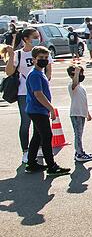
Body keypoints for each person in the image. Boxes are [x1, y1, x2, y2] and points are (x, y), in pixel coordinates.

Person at [5, 27, 50, 164]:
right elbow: (9, 72)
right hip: (24, 93)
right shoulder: (19, 54)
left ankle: (39, 148)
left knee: (40, 123)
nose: (37, 39)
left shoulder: (42, 52)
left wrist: (44, 86)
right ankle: (26, 151)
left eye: (38, 36)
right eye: (34, 37)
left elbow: (48, 72)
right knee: (26, 122)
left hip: (40, 92)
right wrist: (12, 55)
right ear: (25, 39)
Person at [23, 46, 70, 176]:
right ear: (33, 60)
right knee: (46, 136)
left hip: (37, 110)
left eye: (45, 58)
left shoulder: (39, 73)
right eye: (40, 58)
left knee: (37, 136)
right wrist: (51, 108)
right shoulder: (34, 75)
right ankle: (51, 166)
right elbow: (38, 94)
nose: (43, 60)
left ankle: (31, 163)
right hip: (37, 110)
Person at [67, 65, 92, 162]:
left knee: (80, 133)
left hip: (82, 113)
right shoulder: (72, 85)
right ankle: (79, 153)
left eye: (82, 73)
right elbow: (74, 83)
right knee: (78, 134)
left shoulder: (81, 87)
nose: (81, 75)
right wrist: (76, 73)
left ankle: (79, 151)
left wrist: (88, 113)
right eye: (79, 73)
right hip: (76, 113)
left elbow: (84, 101)